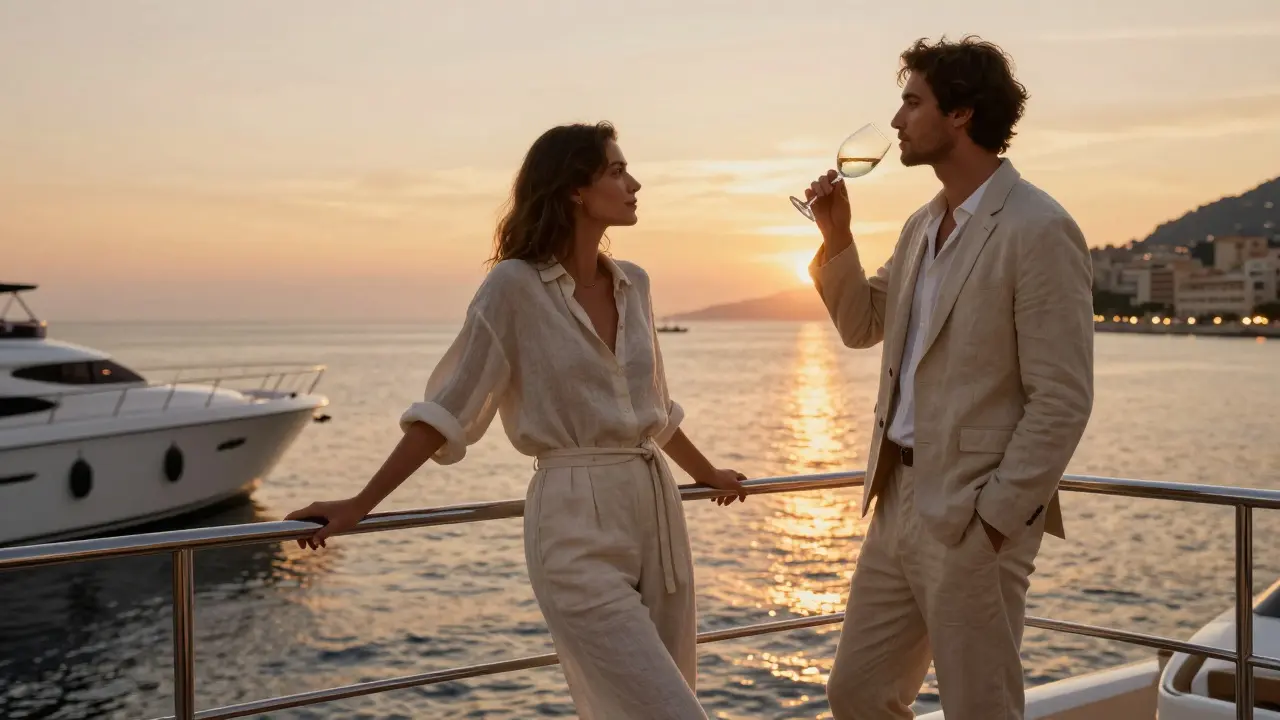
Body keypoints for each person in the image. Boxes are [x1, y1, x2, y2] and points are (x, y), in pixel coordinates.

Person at [287, 121, 749, 720]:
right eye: (616, 170)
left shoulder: (636, 283)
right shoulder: (513, 288)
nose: (634, 183)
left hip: (656, 513)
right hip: (573, 524)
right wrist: (360, 503)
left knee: (667, 697)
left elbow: (653, 411)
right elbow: (447, 410)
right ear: (574, 190)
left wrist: (708, 472)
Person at [802, 36, 1094, 718]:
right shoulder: (919, 227)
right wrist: (836, 236)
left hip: (972, 512)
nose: (898, 122)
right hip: (894, 497)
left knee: (980, 705)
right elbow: (860, 326)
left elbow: (1062, 398)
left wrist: (993, 522)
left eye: (911, 102)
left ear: (960, 114)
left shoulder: (1038, 228)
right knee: (859, 693)